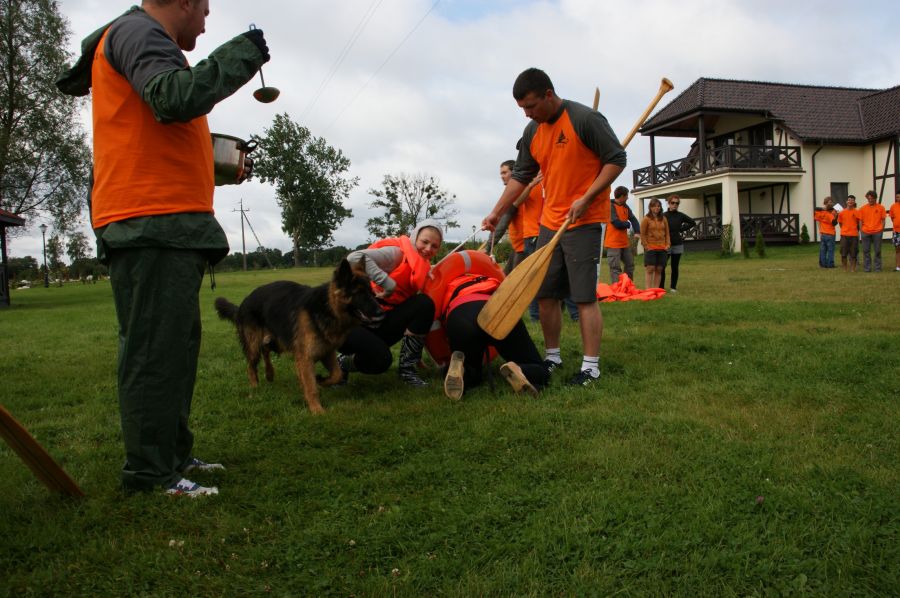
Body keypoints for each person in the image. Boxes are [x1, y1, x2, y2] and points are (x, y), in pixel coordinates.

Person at [56, 0, 270, 497]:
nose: (206, 21)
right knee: (155, 352)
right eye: (205, 11)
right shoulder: (138, 33)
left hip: (164, 224)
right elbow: (172, 98)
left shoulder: (146, 40)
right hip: (147, 223)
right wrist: (242, 54)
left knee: (174, 349)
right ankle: (151, 474)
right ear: (185, 1)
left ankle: (171, 456)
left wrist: (215, 165)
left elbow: (158, 129)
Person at [482, 68, 626, 387]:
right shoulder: (533, 131)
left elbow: (616, 159)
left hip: (584, 220)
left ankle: (590, 367)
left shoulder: (585, 119)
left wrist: (587, 198)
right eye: (522, 108)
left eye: (531, 106)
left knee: (584, 296)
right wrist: (496, 212)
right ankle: (553, 357)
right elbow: (521, 176)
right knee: (545, 294)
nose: (527, 113)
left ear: (548, 95)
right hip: (549, 222)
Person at [423, 250, 549, 400]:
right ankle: (521, 369)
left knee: (474, 374)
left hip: (460, 314)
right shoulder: (490, 279)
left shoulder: (449, 285)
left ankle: (463, 371)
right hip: (498, 309)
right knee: (539, 368)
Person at [340, 220, 443, 387]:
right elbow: (354, 258)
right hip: (356, 321)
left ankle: (407, 370)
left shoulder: (421, 265)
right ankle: (342, 363)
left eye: (434, 246)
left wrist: (416, 354)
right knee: (380, 361)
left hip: (382, 319)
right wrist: (388, 284)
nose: (428, 249)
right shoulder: (396, 253)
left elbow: (418, 318)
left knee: (424, 303)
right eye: (424, 242)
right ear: (415, 238)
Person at [659, 193, 696, 292]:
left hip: (677, 244)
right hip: (665, 245)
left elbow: (692, 222)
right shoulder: (663, 216)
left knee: (674, 267)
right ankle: (661, 288)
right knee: (662, 266)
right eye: (673, 203)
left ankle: (673, 287)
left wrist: (682, 229)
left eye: (677, 203)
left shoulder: (680, 215)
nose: (675, 205)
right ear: (668, 203)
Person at [605, 186, 640, 283]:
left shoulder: (626, 206)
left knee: (630, 265)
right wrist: (627, 224)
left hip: (624, 243)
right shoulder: (610, 206)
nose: (628, 198)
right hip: (613, 244)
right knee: (615, 268)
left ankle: (628, 286)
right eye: (627, 196)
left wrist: (637, 232)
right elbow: (617, 223)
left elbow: (633, 219)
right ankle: (617, 288)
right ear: (622, 196)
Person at [640, 198, 670, 289]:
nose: (657, 208)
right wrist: (646, 246)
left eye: (658, 206)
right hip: (651, 247)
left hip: (662, 247)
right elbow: (642, 234)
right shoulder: (646, 219)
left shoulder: (664, 218)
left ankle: (656, 290)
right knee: (650, 268)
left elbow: (667, 233)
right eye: (654, 206)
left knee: (659, 269)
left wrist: (667, 244)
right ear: (650, 207)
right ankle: (648, 290)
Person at [858, 190, 887, 272]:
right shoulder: (862, 208)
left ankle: (877, 268)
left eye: (872, 198)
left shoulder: (881, 208)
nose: (870, 200)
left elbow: (883, 219)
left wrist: (881, 229)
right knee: (866, 251)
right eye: (869, 198)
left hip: (877, 231)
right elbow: (860, 220)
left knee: (877, 250)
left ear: (875, 198)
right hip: (865, 231)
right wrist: (861, 230)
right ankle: (867, 268)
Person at [837, 195, 860, 272]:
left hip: (854, 235)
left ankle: (853, 269)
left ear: (854, 202)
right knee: (843, 253)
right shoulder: (842, 213)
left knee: (854, 253)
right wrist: (845, 230)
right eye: (849, 200)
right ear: (846, 201)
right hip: (844, 235)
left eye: (852, 200)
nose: (850, 201)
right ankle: (845, 269)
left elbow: (858, 223)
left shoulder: (857, 212)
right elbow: (840, 224)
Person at [813, 197, 838, 268]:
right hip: (830, 233)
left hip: (823, 233)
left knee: (823, 250)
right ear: (826, 203)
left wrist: (820, 230)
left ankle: (823, 264)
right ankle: (830, 264)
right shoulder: (830, 213)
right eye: (830, 202)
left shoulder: (820, 212)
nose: (831, 203)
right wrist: (836, 216)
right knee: (830, 250)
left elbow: (816, 212)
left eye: (831, 202)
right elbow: (834, 223)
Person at [890, 192, 900, 271]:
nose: (898, 198)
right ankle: (898, 267)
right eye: (897, 197)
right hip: (896, 231)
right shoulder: (893, 206)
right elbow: (892, 218)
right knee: (897, 249)